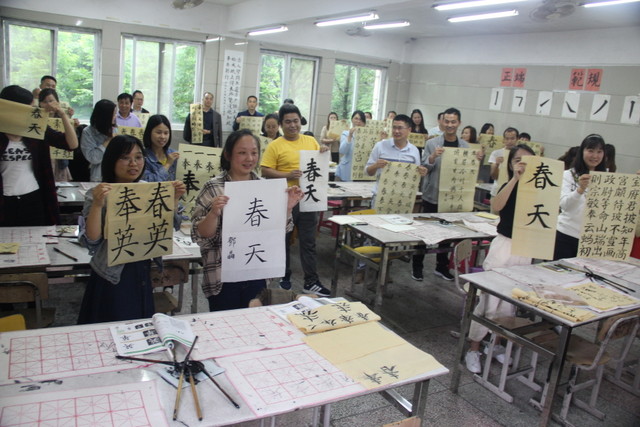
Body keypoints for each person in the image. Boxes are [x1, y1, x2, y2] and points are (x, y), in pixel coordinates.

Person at [77, 135, 186, 324]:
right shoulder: (99, 193)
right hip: (111, 274)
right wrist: (97, 204)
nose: (133, 163)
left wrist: (174, 199)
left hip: (141, 270)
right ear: (112, 160)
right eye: (125, 158)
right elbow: (92, 240)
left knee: (139, 326)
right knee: (112, 326)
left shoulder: (149, 190)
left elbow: (168, 226)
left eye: (138, 157)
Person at [191, 130, 304, 311]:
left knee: (255, 321)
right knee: (225, 322)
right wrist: (213, 213)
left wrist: (287, 208)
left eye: (254, 152)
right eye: (242, 152)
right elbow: (200, 235)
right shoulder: (214, 187)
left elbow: (277, 232)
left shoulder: (265, 188)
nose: (249, 158)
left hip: (256, 270)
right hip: (222, 275)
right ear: (228, 154)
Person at [465, 144, 536, 373]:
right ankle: (473, 348)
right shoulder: (509, 185)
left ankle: (495, 343)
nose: (523, 164)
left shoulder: (540, 191)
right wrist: (515, 178)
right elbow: (496, 207)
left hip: (526, 249)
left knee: (511, 303)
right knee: (488, 301)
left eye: (528, 161)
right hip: (504, 245)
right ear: (511, 164)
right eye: (517, 160)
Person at [261, 103, 330, 296]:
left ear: (301, 121)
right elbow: (264, 170)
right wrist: (287, 174)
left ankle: (311, 281)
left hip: (309, 198)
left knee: (308, 241)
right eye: (288, 122)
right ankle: (284, 277)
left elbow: (318, 161)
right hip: (285, 201)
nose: (293, 125)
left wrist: (323, 151)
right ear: (281, 125)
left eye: (296, 121)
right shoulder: (275, 145)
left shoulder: (310, 141)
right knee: (283, 240)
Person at [413, 107, 481, 281]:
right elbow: (423, 169)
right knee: (425, 232)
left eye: (453, 122)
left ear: (459, 123)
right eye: (447, 121)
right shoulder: (432, 143)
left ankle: (441, 267)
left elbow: (468, 173)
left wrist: (477, 160)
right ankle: (417, 266)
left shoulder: (465, 146)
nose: (450, 125)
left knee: (447, 234)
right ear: (442, 122)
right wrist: (432, 157)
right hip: (433, 194)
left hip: (452, 197)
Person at [0, 85, 78, 226]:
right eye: (29, 108)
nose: (33, 112)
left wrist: (62, 115)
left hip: (33, 198)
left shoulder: (35, 128)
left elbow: (71, 144)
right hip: (5, 201)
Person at [553, 134, 606, 260]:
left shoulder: (607, 178)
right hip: (565, 235)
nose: (595, 156)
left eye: (599, 151)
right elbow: (564, 205)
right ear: (582, 151)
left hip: (591, 240)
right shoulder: (568, 175)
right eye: (590, 151)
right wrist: (580, 190)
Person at [365, 114, 427, 203]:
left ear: (409, 130)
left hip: (403, 198)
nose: (396, 131)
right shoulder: (380, 146)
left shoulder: (414, 150)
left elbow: (416, 174)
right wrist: (376, 165)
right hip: (381, 196)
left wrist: (422, 172)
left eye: (400, 128)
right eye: (394, 127)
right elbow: (367, 172)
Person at [39, 88, 73, 182]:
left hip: (60, 161)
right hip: (44, 160)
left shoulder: (63, 118)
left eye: (51, 101)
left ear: (57, 102)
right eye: (44, 102)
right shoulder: (37, 120)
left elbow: (72, 143)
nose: (49, 104)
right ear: (40, 103)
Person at [82, 99, 117, 182]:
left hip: (116, 174)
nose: (116, 117)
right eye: (113, 114)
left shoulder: (115, 129)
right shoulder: (88, 132)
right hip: (98, 177)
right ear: (105, 116)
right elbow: (93, 158)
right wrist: (108, 141)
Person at [142, 115, 179, 182]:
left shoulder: (175, 154)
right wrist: (168, 164)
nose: (163, 137)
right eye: (158, 132)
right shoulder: (142, 157)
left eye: (166, 133)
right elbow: (149, 183)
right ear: (149, 132)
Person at [335, 111, 366, 182]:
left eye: (361, 119)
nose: (358, 121)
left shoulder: (368, 136)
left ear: (364, 122)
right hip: (346, 169)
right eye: (356, 118)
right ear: (352, 120)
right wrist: (350, 135)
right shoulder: (345, 133)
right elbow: (342, 151)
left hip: (361, 170)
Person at [488, 127, 519, 196]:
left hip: (515, 191)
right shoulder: (496, 153)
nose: (509, 141)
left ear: (517, 139)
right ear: (503, 139)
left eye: (512, 138)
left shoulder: (520, 154)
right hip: (497, 190)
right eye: (507, 139)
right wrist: (496, 165)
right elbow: (493, 176)